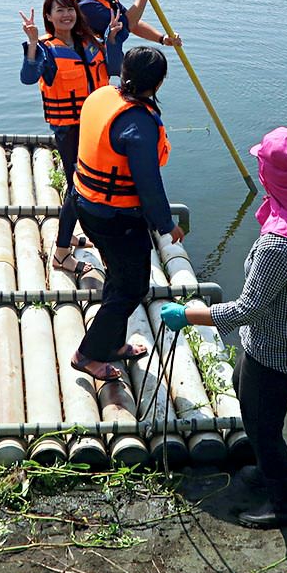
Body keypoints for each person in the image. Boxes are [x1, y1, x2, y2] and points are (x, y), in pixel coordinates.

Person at [160, 127, 287, 530]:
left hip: (276, 358)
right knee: (251, 405)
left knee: (266, 432)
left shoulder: (279, 244)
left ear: (268, 176)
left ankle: (286, 508)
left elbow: (247, 309)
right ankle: (263, 469)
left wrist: (187, 314)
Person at [69, 46, 182, 381]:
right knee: (132, 287)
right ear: (158, 83)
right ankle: (87, 355)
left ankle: (113, 344)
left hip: (86, 204)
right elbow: (148, 182)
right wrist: (166, 225)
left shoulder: (103, 95)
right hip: (115, 217)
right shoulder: (137, 122)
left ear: (124, 72)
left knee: (118, 277)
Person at [18, 0, 119, 276]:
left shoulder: (90, 43)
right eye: (59, 11)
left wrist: (112, 39)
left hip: (96, 123)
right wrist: (34, 42)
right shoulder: (47, 50)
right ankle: (61, 253)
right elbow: (27, 78)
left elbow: (114, 68)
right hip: (70, 130)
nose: (66, 15)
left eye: (70, 9)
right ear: (49, 17)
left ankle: (69, 235)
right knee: (80, 188)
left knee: (80, 185)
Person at [72, 0, 180, 79]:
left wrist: (162, 38)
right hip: (81, 70)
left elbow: (131, 21)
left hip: (96, 68)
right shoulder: (86, 4)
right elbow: (126, 25)